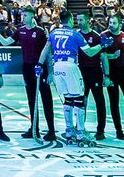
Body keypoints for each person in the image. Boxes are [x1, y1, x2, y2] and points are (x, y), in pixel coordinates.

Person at [38, 8, 93, 146]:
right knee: (79, 100)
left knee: (67, 99)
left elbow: (46, 49)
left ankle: (69, 132)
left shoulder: (54, 32)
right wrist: (102, 45)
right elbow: (90, 52)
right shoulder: (75, 34)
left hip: (57, 67)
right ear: (70, 20)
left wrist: (39, 64)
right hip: (70, 66)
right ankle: (80, 133)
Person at [13, 9, 55, 140]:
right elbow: (5, 42)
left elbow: (48, 52)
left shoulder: (40, 31)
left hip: (40, 68)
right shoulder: (20, 31)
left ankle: (51, 131)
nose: (23, 17)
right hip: (27, 68)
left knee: (46, 99)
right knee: (31, 99)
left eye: (25, 15)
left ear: (32, 16)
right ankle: (34, 128)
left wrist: (50, 72)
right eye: (22, 15)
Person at [74, 13, 110, 140]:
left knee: (99, 101)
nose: (79, 22)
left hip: (95, 72)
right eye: (77, 20)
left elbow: (103, 57)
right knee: (80, 101)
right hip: (80, 72)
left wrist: (107, 75)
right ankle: (79, 128)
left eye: (81, 20)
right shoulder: (76, 35)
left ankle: (101, 130)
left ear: (88, 21)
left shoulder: (96, 36)